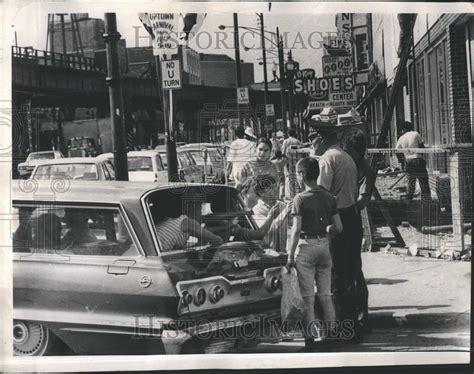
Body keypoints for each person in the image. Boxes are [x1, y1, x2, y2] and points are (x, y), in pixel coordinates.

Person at [310, 125, 361, 337]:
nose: (313, 145)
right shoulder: (346, 157)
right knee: (349, 272)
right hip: (351, 216)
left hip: (336, 219)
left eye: (313, 140)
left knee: (334, 273)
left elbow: (321, 195)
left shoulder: (327, 160)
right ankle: (351, 322)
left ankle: (339, 325)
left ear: (321, 139)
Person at [286, 157, 342, 352]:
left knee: (308, 297)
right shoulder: (329, 197)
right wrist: (327, 231)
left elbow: (296, 229)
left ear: (302, 175)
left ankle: (311, 339)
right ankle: (333, 334)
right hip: (324, 246)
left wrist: (290, 256)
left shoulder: (300, 199)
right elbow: (339, 227)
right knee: (326, 294)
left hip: (306, 247)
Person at [342, 130, 376, 334]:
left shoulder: (365, 171)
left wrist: (343, 208)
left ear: (357, 151)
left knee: (354, 269)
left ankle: (362, 316)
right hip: (340, 218)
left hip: (351, 220)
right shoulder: (346, 166)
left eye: (349, 151)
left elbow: (362, 202)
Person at [154, 202, 223, 252]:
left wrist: (226, 227)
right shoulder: (187, 222)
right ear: (194, 210)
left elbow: (204, 232)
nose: (201, 214)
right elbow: (217, 240)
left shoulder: (172, 221)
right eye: (200, 209)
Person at [395, 121, 431, 200]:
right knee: (423, 182)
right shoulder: (416, 134)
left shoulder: (401, 138)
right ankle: (427, 201)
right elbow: (422, 147)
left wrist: (402, 161)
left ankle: (408, 202)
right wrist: (421, 156)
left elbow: (396, 151)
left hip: (408, 161)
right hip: (418, 159)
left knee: (411, 183)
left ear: (404, 129)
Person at [282, 128, 302, 199]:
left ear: (288, 134)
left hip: (289, 162)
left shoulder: (285, 141)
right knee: (297, 177)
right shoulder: (298, 141)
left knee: (290, 178)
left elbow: (283, 152)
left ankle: (292, 195)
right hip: (298, 162)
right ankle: (298, 194)